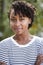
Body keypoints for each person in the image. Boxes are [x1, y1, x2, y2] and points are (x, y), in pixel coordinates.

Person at [0, 0, 43, 65]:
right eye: (13, 19)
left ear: (30, 20)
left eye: (21, 19)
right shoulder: (3, 46)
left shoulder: (41, 44)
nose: (17, 24)